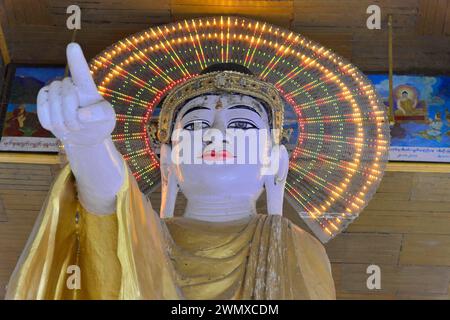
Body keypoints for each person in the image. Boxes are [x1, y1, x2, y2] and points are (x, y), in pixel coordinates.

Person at [5, 43, 335, 300]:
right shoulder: (144, 237)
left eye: (241, 124)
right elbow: (109, 208)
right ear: (167, 162)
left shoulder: (301, 249)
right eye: (194, 124)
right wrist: (90, 145)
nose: (216, 133)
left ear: (275, 162)